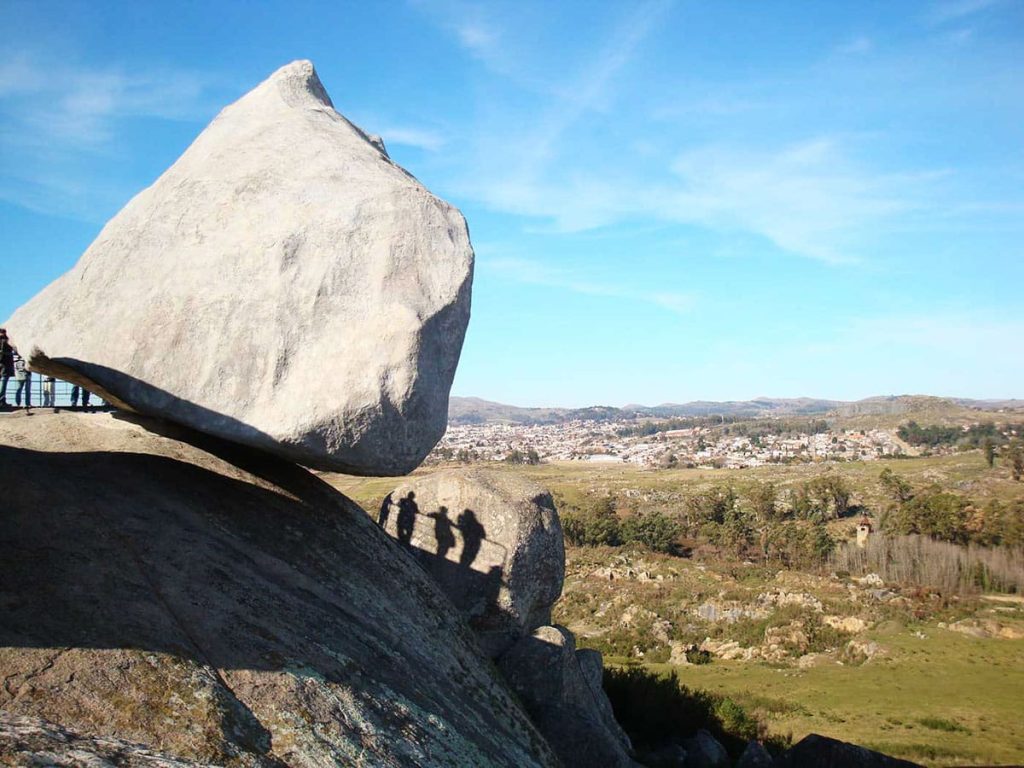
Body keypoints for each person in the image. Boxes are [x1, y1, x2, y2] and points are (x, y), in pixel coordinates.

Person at [0, 329, 12, 407]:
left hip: (3, 363)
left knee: (4, 382)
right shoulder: (7, 340)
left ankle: (2, 400)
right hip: (5, 363)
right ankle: (1, 400)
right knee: (4, 381)